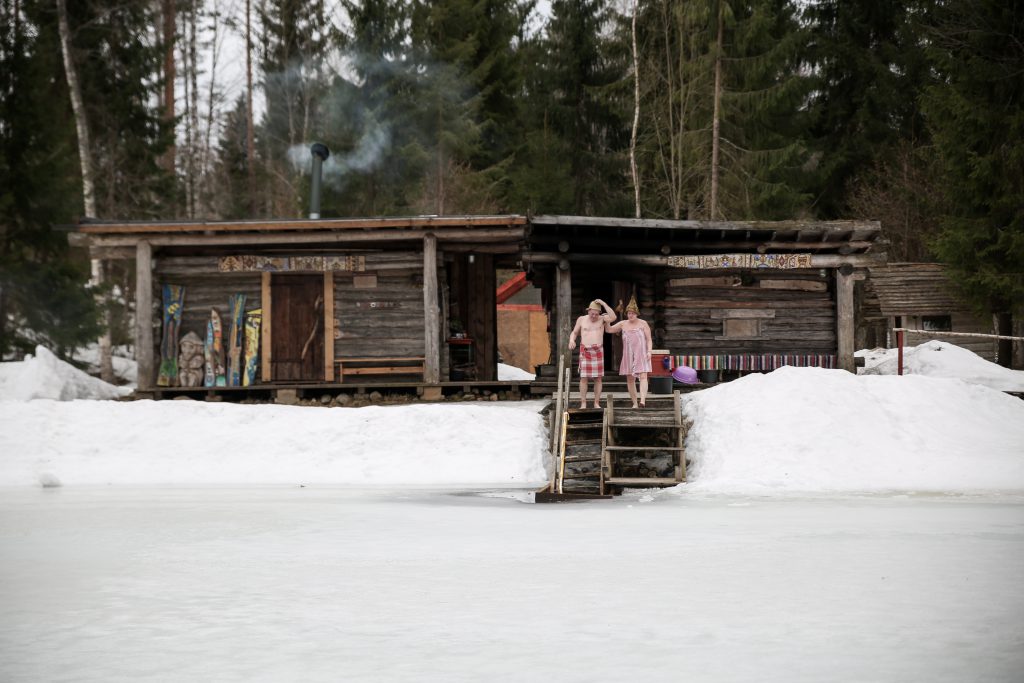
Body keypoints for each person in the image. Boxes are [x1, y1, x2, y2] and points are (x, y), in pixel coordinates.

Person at [568, 299, 616, 409]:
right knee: (584, 378)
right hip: (585, 351)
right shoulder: (581, 319)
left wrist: (604, 303)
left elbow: (613, 317)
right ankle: (583, 403)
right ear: (588, 311)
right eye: (592, 313)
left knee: (598, 378)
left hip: (598, 350)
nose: (594, 316)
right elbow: (574, 332)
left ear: (599, 313)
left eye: (596, 314)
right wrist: (572, 340)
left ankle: (596, 402)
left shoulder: (602, 319)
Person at [606, 295, 653, 408]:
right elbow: (609, 330)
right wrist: (606, 320)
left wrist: (649, 351)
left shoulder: (643, 323)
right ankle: (635, 403)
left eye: (632, 313)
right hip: (628, 355)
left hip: (641, 354)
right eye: (629, 313)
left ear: (637, 313)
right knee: (630, 380)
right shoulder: (623, 324)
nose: (630, 315)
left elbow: (649, 339)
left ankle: (642, 400)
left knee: (643, 376)